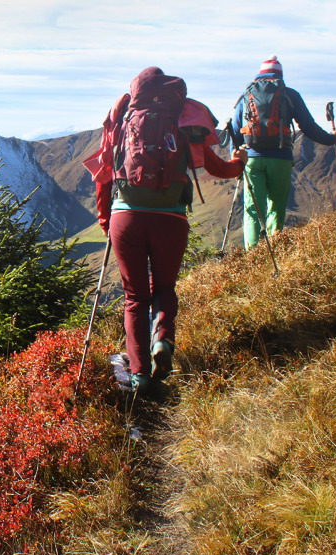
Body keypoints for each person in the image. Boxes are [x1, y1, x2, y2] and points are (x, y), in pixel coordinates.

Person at [84, 67, 247, 393]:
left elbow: (104, 174)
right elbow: (215, 167)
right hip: (171, 218)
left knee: (134, 298)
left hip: (126, 217)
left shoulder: (121, 120)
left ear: (137, 90)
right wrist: (239, 163)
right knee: (164, 289)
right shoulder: (184, 118)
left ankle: (140, 375)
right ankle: (163, 339)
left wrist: (105, 221)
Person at [232, 55, 336, 249]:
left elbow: (235, 130)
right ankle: (276, 249)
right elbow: (308, 126)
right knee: (277, 206)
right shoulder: (290, 95)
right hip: (280, 158)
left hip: (252, 159)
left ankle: (252, 256)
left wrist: (238, 156)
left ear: (260, 75)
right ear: (280, 75)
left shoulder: (245, 96)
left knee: (253, 209)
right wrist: (331, 139)